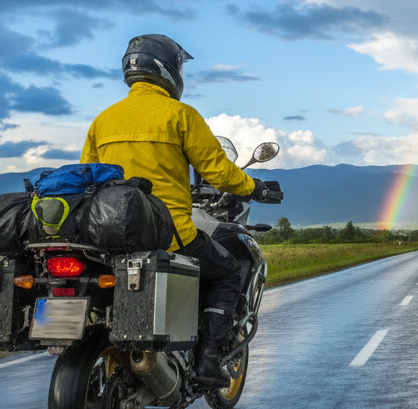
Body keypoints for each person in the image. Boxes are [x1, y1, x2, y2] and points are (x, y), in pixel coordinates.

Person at [80, 34, 277, 385]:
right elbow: (217, 170)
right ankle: (208, 361)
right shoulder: (181, 115)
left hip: (107, 238)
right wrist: (255, 187)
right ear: (168, 70)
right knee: (227, 272)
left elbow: (88, 178)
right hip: (167, 233)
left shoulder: (103, 120)